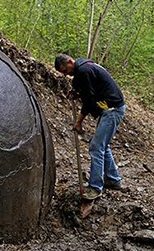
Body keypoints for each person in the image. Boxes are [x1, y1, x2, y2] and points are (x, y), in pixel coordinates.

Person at [55, 54, 126, 200]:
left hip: (112, 110)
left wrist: (79, 121)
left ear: (70, 61)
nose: (66, 74)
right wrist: (77, 93)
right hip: (110, 108)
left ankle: (95, 187)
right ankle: (113, 180)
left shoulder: (84, 71)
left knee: (96, 147)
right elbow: (88, 92)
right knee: (103, 146)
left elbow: (89, 100)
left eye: (65, 70)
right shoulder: (85, 68)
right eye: (63, 73)